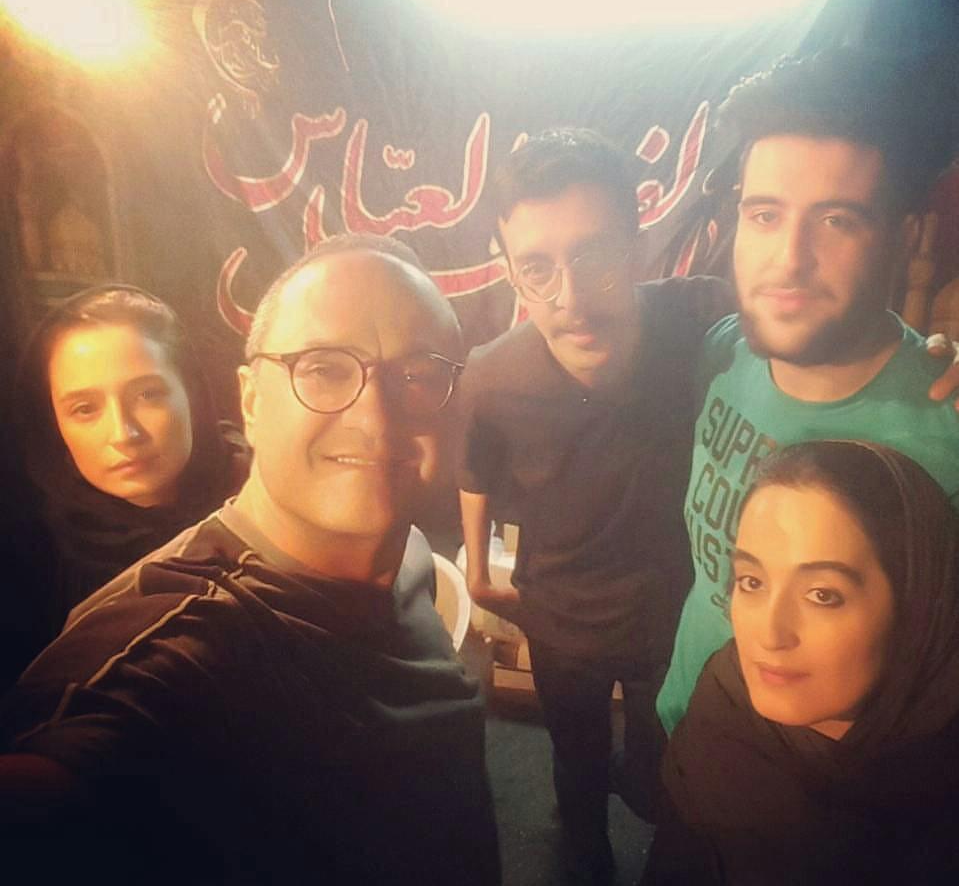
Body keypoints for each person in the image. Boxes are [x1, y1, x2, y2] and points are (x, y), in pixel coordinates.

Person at [0, 237, 501, 886]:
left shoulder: (406, 553)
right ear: (251, 400)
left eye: (418, 373)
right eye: (323, 369)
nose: (376, 417)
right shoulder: (180, 643)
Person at [656, 49, 959, 735]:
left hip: (811, 788)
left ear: (906, 235)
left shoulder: (945, 433)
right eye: (764, 215)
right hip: (682, 723)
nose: (788, 259)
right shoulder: (724, 350)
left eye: (835, 220)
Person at [457, 127, 732, 882]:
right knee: (572, 763)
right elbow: (473, 472)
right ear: (511, 273)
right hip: (559, 620)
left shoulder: (704, 321)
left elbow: (815, 338)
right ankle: (582, 848)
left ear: (638, 248)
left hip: (672, 618)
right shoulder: (490, 376)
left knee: (655, 774)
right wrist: (476, 571)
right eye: (537, 269)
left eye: (593, 257)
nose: (570, 301)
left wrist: (916, 367)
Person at [646, 440, 959, 884]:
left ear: (917, 606)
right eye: (751, 581)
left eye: (822, 595)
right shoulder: (724, 698)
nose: (769, 635)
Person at [11, 286, 249, 643]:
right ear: (54, 424)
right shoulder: (36, 558)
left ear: (193, 394)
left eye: (148, 395)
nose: (124, 434)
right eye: (85, 409)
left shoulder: (269, 506)